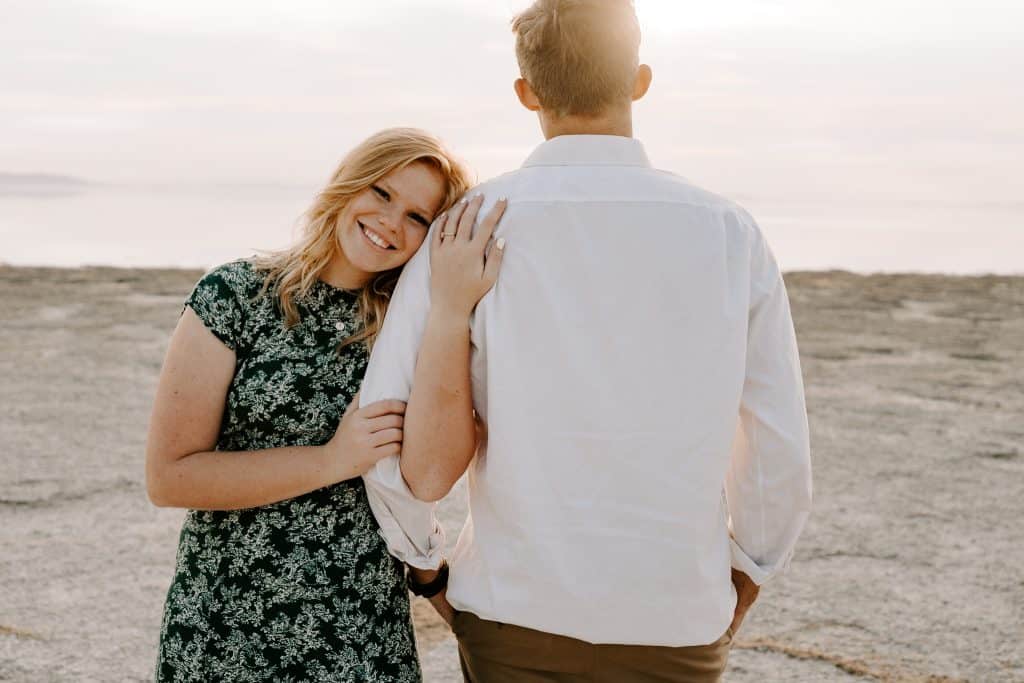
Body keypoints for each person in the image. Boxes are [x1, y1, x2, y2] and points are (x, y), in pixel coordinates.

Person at [359, 1, 814, 681]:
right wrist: (747, 573)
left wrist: (425, 566)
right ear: (639, 80)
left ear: (526, 93)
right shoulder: (728, 232)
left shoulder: (471, 225)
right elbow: (777, 450)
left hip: (512, 609)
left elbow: (385, 423)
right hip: (674, 616)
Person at [145, 128, 504, 682]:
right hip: (225, 623)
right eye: (382, 194)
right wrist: (332, 460)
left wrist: (452, 307)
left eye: (416, 217)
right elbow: (170, 478)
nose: (390, 221)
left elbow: (422, 481)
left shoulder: (410, 331)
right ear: (348, 184)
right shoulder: (235, 295)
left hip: (359, 631)